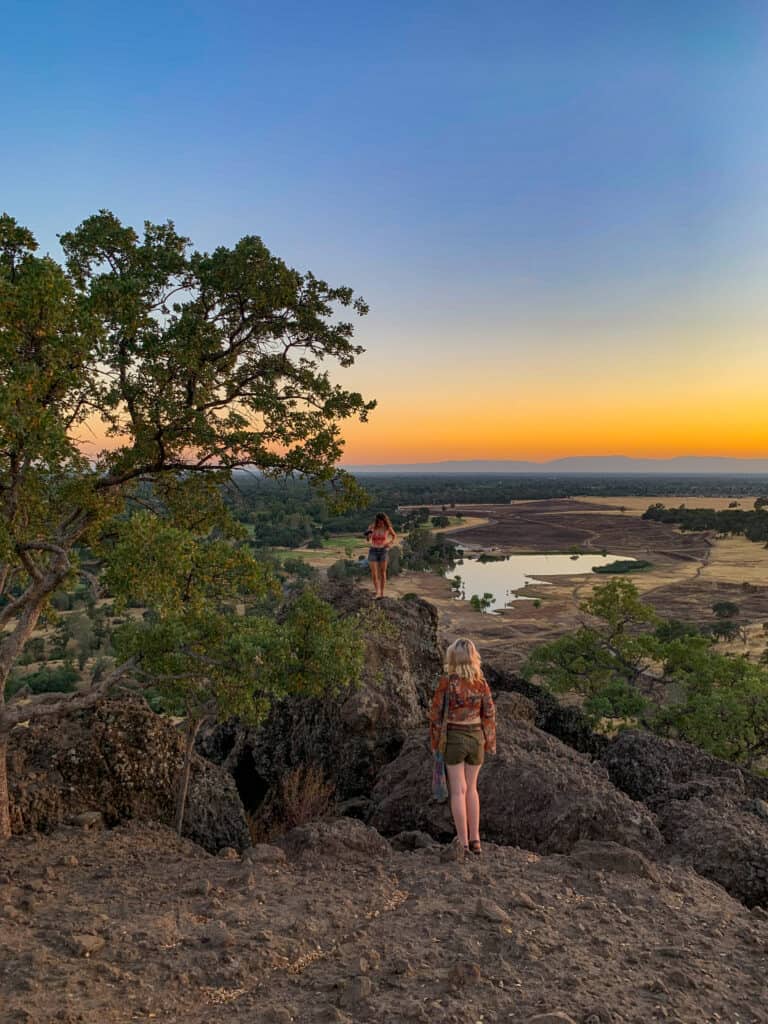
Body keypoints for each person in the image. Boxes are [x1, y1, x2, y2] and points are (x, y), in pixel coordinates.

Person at [429, 638, 496, 855]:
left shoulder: (447, 682)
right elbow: (489, 714)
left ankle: (463, 842)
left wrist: (435, 743)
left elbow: (436, 715)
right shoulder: (481, 683)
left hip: (455, 739)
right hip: (476, 738)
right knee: (472, 789)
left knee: (458, 790)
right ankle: (476, 840)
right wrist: (489, 742)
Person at [364, 512, 397, 599]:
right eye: (378, 521)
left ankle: (382, 593)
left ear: (384, 521)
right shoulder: (372, 526)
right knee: (374, 574)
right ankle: (377, 592)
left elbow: (394, 536)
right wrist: (368, 535)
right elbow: (368, 539)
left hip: (383, 550)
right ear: (377, 521)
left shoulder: (387, 528)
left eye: (382, 521)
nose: (380, 523)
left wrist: (390, 543)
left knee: (382, 573)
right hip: (373, 550)